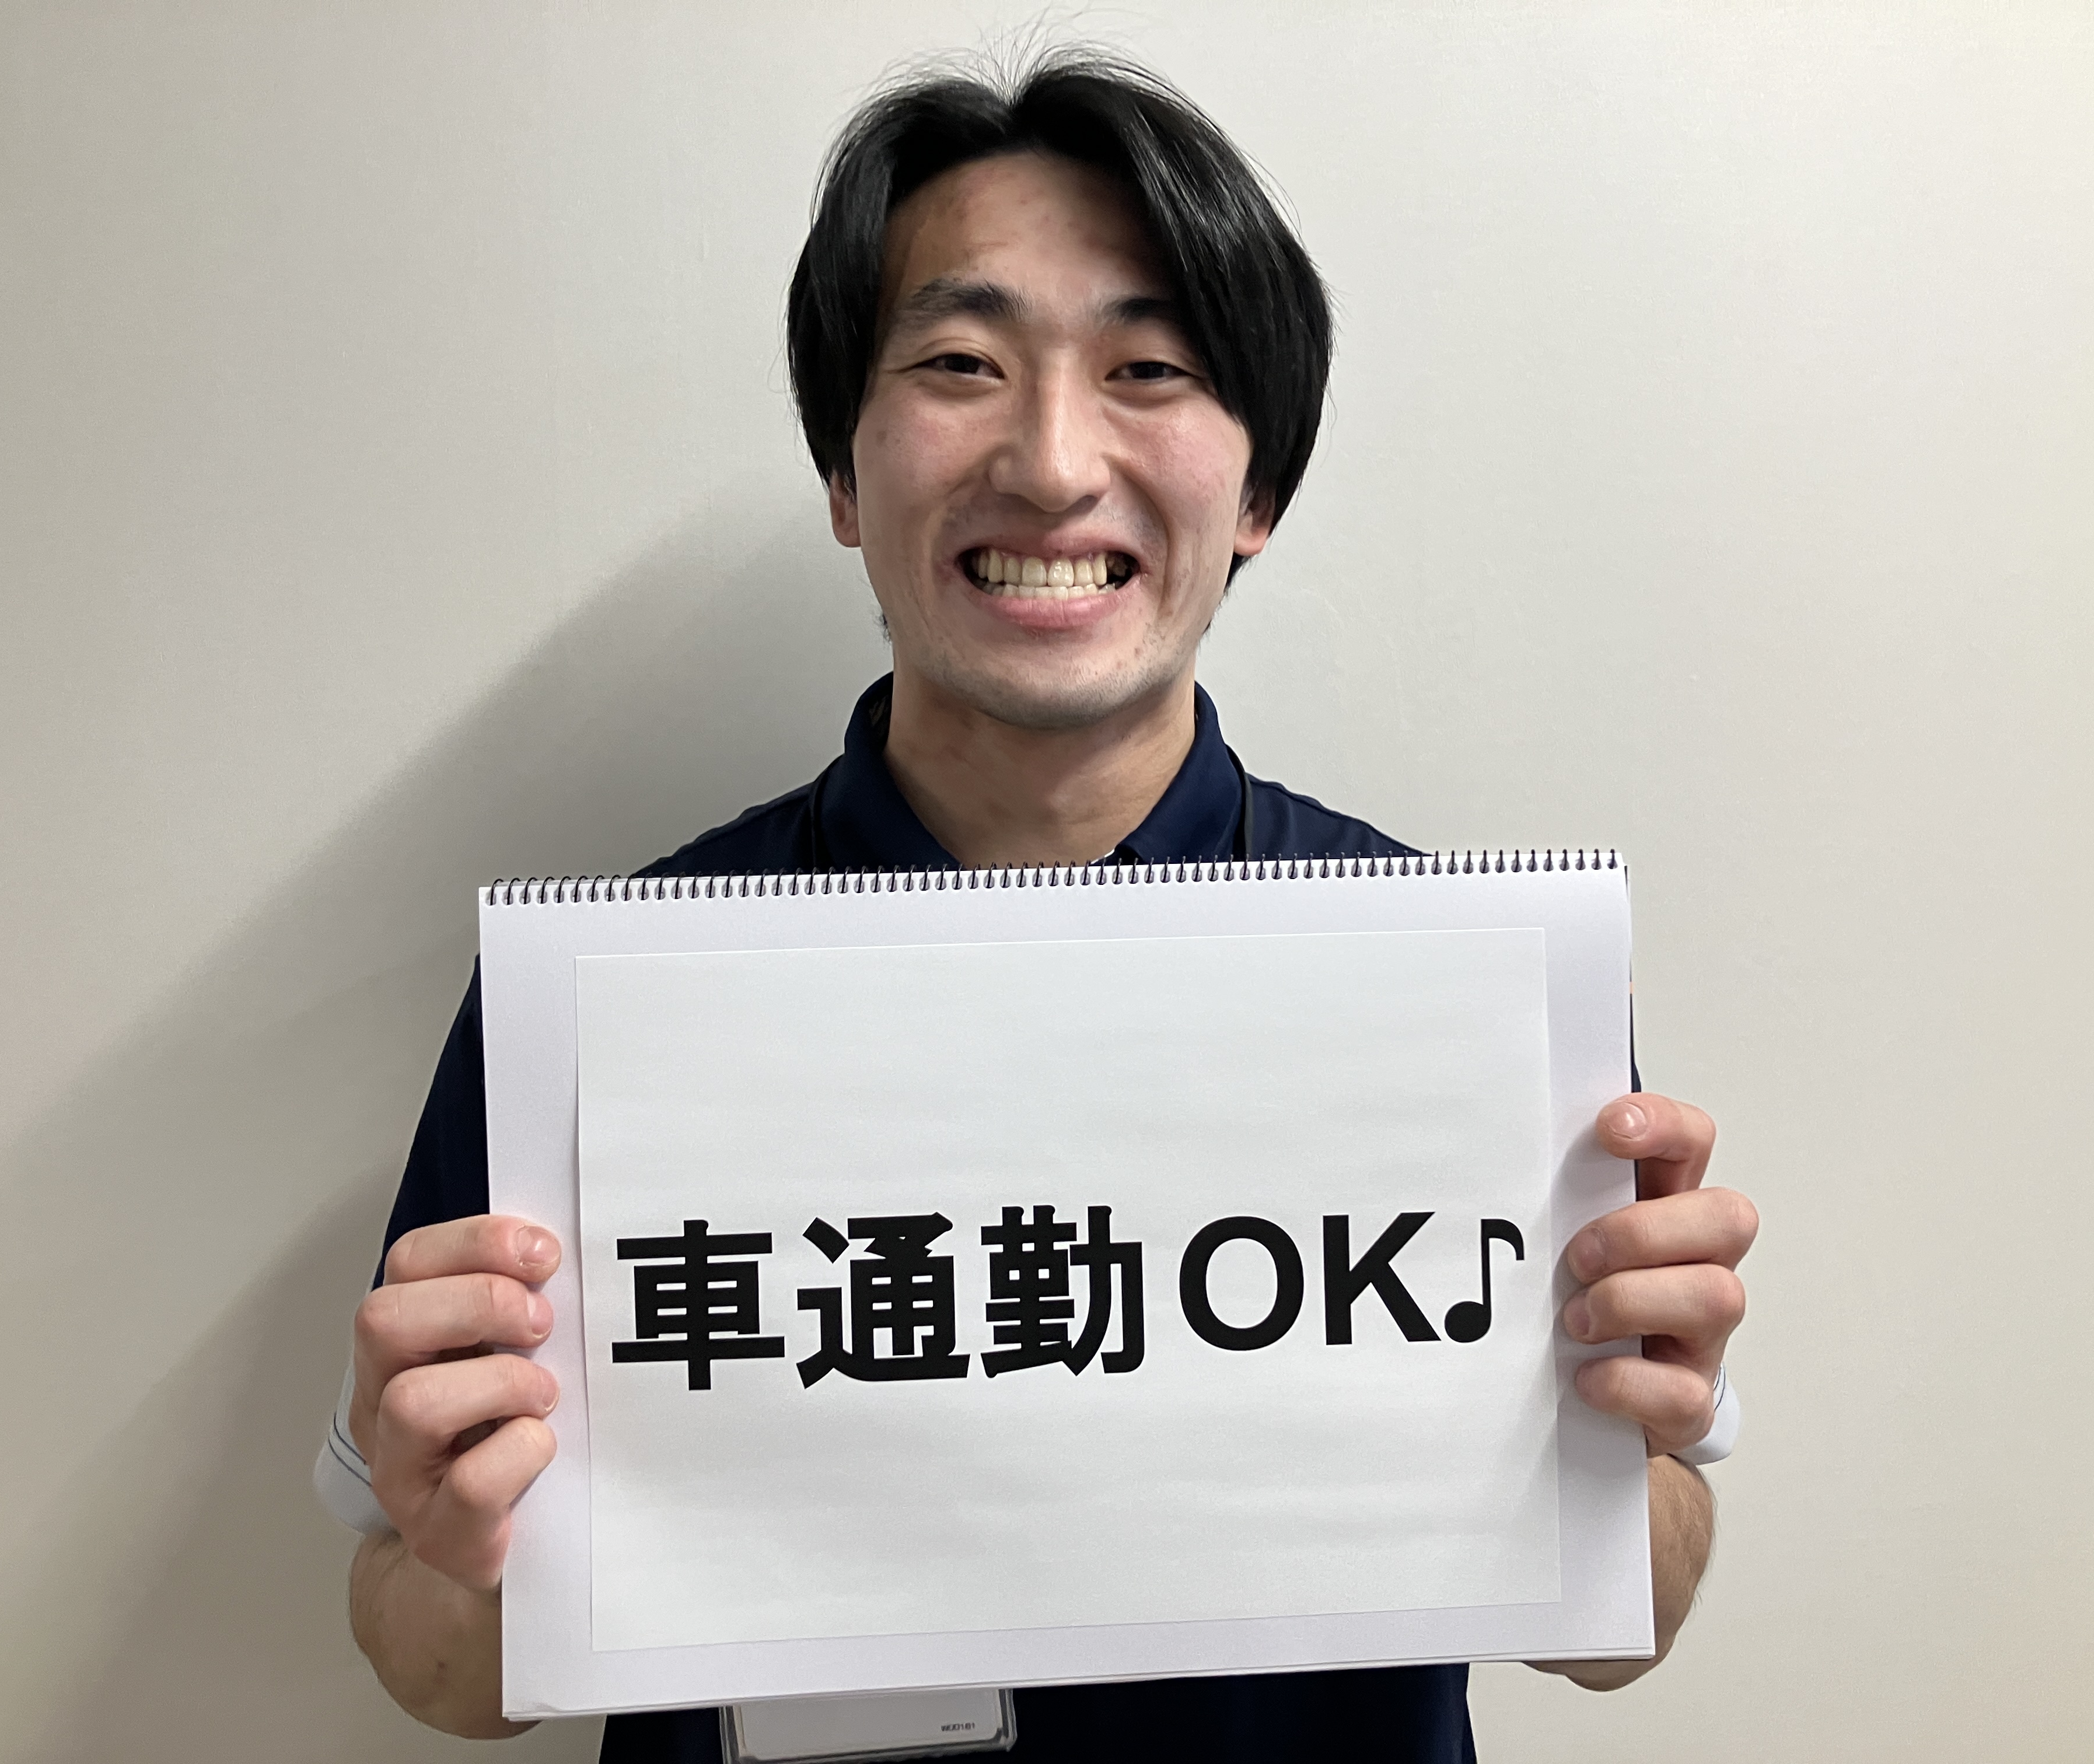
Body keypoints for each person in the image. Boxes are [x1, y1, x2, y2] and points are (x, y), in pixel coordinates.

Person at [318, 48, 1758, 1762]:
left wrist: (1636, 1435)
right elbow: (435, 1661)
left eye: (1150, 368)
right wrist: (461, 1551)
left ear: (1258, 492)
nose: (1056, 461)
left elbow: (1623, 1627)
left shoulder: (1455, 985)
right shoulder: (611, 996)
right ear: (845, 477)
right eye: (960, 364)